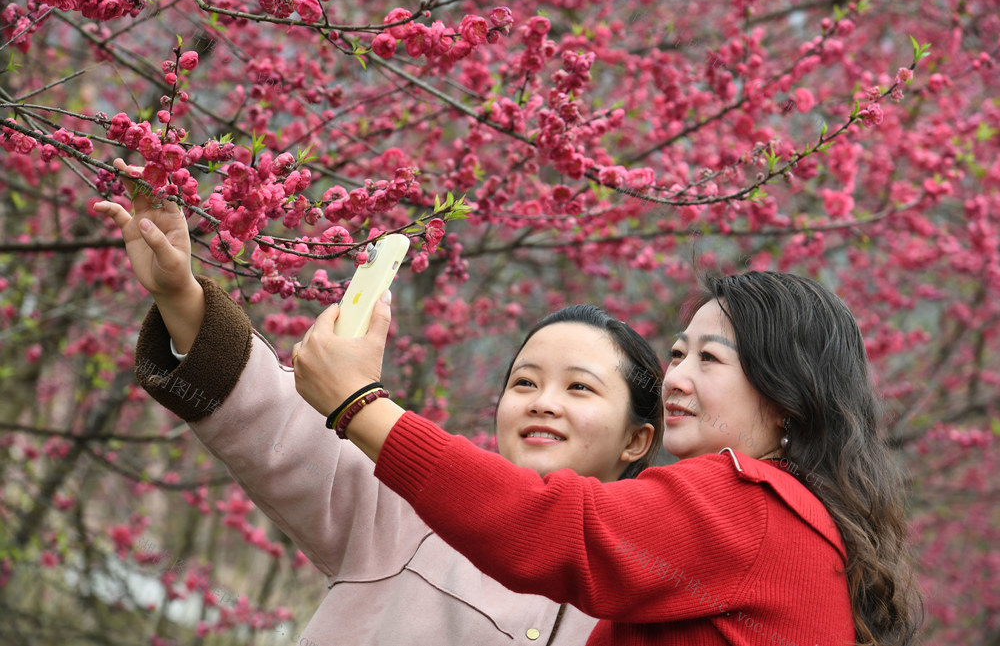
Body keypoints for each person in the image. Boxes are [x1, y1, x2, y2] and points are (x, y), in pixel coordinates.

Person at [94, 161, 665, 645]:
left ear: (637, 439)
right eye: (524, 383)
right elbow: (277, 424)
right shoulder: (418, 512)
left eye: (579, 388)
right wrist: (180, 295)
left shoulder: (651, 597)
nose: (543, 403)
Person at [293, 270, 922, 646]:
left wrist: (360, 405)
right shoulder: (797, 526)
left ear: (787, 396)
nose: (673, 378)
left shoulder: (753, 504)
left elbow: (550, 527)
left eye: (708, 359)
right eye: (677, 355)